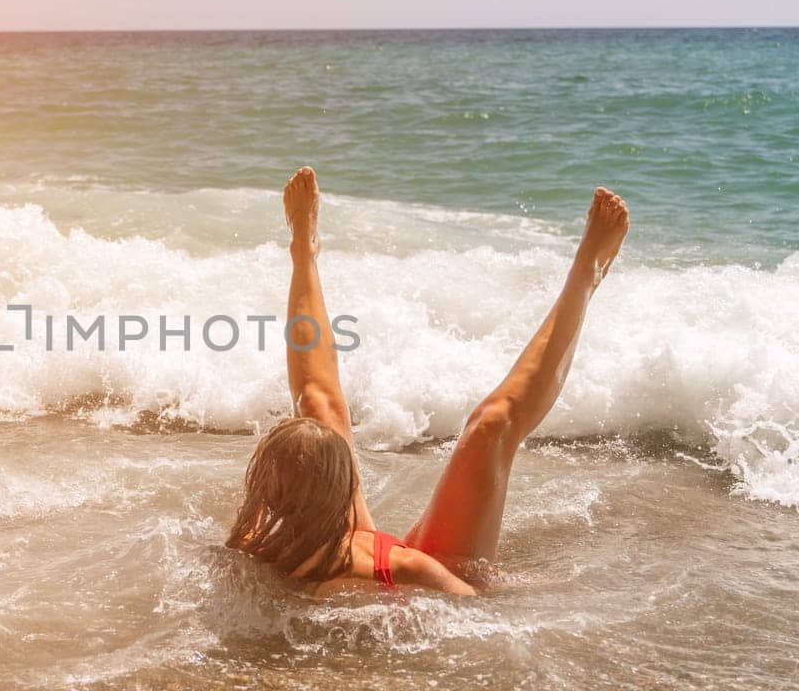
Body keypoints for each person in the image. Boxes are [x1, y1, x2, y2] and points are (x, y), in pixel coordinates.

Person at [227, 168, 628, 596]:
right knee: (487, 424)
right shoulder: (265, 547)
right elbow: (472, 599)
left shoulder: (257, 542)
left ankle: (303, 251)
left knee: (326, 408)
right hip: (419, 568)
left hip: (369, 557)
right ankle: (587, 272)